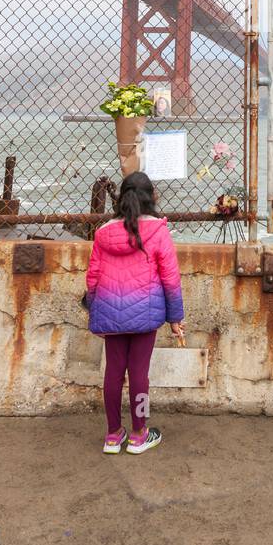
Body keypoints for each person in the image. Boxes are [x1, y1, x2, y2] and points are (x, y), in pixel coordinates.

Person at [85, 171, 185, 455]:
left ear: (121, 197)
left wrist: (95, 307)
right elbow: (170, 277)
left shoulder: (103, 232)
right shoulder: (157, 231)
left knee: (113, 373)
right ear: (150, 196)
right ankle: (140, 433)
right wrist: (175, 318)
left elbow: (92, 275)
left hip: (110, 313)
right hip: (146, 312)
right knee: (139, 374)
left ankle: (113, 435)